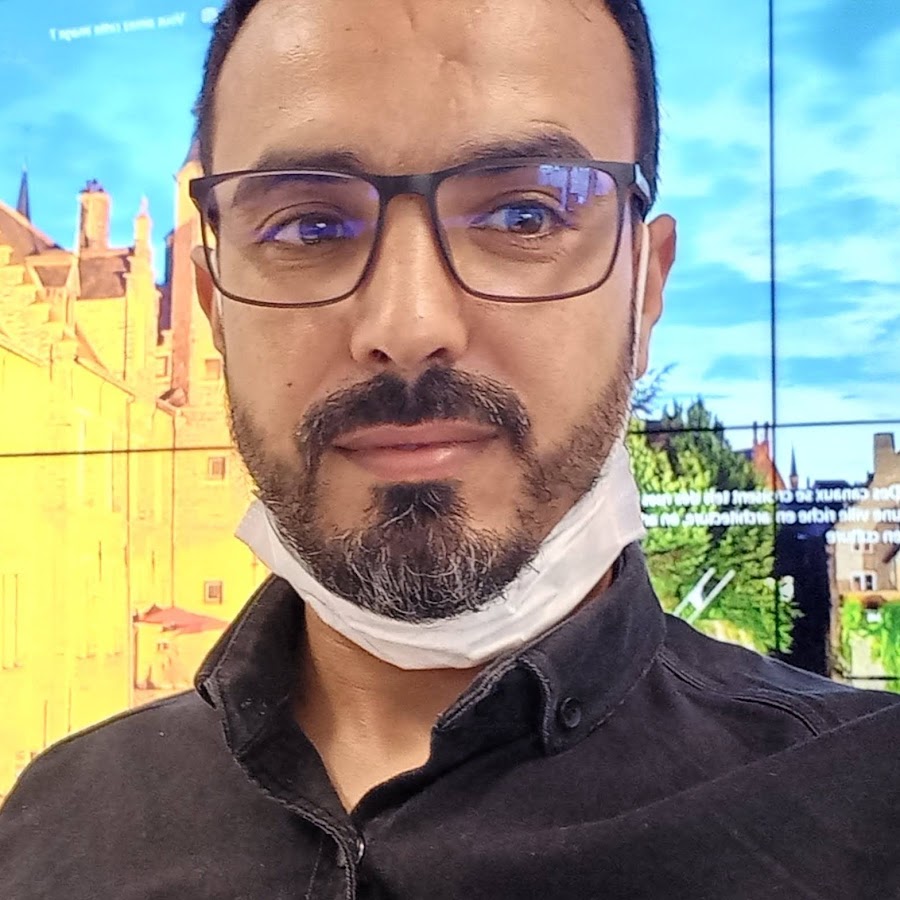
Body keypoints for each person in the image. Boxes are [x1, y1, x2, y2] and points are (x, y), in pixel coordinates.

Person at [2, 0, 899, 896]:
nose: (407, 326)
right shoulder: (53, 836)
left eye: (523, 216)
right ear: (213, 309)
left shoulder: (866, 815)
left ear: (645, 291)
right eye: (310, 228)